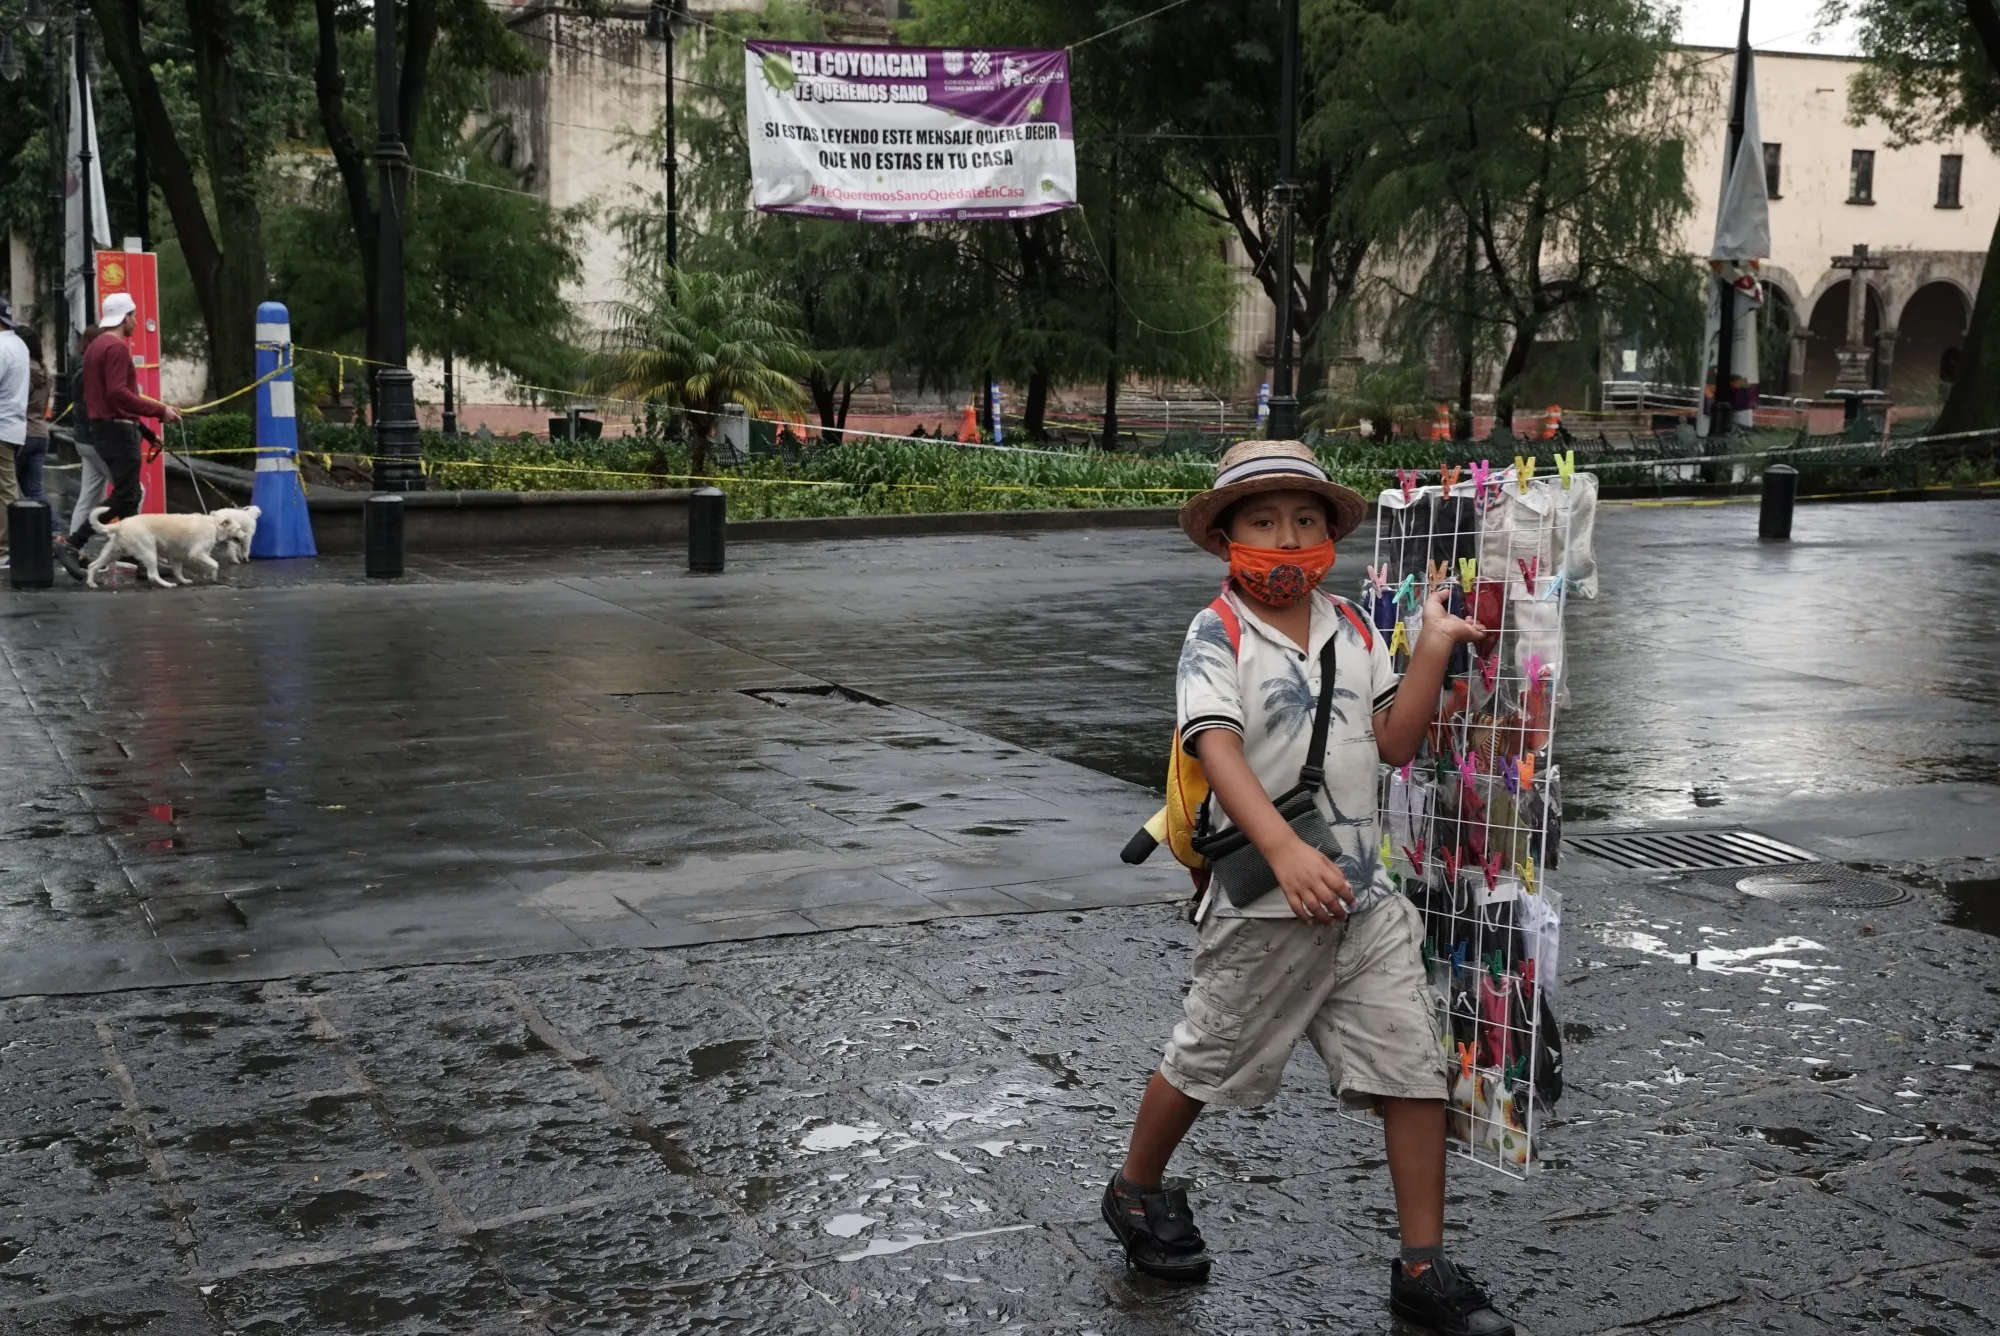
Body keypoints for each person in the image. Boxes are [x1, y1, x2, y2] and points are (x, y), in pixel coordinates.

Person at [1101, 439, 1515, 1336]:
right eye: (1262, 522)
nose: (1285, 541)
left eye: (1304, 521)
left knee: (1412, 1069)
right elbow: (1213, 744)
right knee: (1207, 1055)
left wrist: (1436, 646)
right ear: (1225, 540)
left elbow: (1396, 742)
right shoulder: (1216, 632)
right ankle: (1135, 1191)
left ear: (1330, 535)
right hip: (1265, 906)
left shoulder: (1356, 628)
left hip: (1366, 901)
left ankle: (1423, 1262)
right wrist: (1284, 850)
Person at [55, 294, 179, 580]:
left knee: (128, 495)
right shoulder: (116, 348)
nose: (136, 321)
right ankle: (74, 542)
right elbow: (118, 393)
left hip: (104, 429)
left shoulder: (96, 347)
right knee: (128, 495)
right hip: (117, 430)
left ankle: (139, 559)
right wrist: (159, 410)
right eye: (134, 315)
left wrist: (144, 428)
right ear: (125, 317)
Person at [0, 299, 28, 569]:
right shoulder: (18, 345)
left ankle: (6, 549)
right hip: (14, 426)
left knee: (6, 489)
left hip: (2, 426)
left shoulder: (1, 347)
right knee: (8, 487)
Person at [18, 328, 51, 503]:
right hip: (40, 433)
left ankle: (10, 528)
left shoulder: (21, 370)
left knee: (8, 487)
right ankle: (53, 529)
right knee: (34, 489)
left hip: (21, 433)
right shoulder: (45, 371)